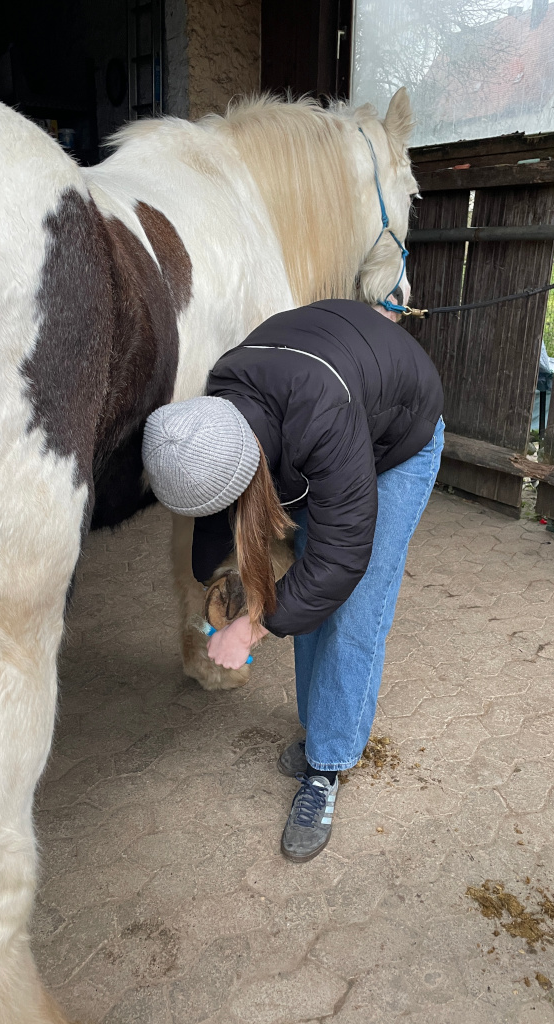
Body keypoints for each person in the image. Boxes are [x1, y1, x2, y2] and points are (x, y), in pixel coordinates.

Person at [142, 299, 444, 861]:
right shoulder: (213, 421)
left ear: (250, 464)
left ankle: (327, 768)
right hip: (345, 409)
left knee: (351, 606)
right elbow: (217, 516)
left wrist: (250, 631)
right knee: (305, 594)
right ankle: (319, 735)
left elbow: (340, 560)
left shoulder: (317, 422)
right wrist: (222, 593)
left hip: (401, 436)